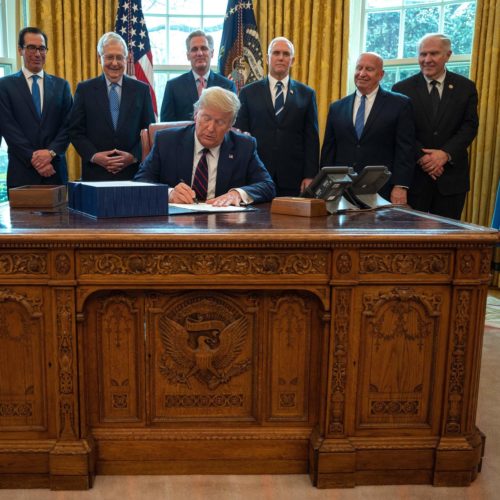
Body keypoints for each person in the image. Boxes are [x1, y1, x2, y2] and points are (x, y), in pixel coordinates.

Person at [135, 86, 276, 206]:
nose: (210, 128)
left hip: (224, 226)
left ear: (230, 125)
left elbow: (267, 186)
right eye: (206, 118)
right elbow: (140, 182)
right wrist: (169, 194)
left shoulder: (244, 146)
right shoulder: (166, 141)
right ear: (196, 115)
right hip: (177, 226)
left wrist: (237, 194)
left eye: (220, 122)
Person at [392, 33, 479, 220]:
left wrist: (444, 154)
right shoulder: (401, 89)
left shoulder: (466, 87)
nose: (427, 60)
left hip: (451, 179)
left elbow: (470, 126)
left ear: (448, 55)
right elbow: (401, 132)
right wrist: (423, 157)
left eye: (434, 54)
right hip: (414, 178)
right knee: (409, 239)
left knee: (449, 239)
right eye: (423, 54)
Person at [320, 52, 415, 204]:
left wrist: (400, 186)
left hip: (382, 190)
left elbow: (405, 149)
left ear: (381, 74)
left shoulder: (400, 105)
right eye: (359, 68)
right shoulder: (337, 107)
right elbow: (329, 151)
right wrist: (325, 187)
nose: (362, 74)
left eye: (369, 69)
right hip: (342, 190)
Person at [235, 37, 319, 197]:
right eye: (276, 53)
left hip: (293, 177)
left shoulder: (307, 94)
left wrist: (310, 175)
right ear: (267, 59)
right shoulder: (248, 93)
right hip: (256, 174)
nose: (281, 57)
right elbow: (241, 136)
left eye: (286, 54)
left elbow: (311, 138)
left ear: (292, 60)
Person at [69, 32, 155, 181]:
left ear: (126, 59)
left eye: (119, 57)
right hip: (95, 174)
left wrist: (133, 156)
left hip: (133, 174)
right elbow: (75, 131)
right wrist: (95, 156)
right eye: (109, 57)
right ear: (99, 58)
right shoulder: (85, 90)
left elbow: (149, 131)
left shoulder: (141, 90)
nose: (114, 63)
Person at [0, 27, 72, 188]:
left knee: (60, 214)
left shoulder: (62, 86)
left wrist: (50, 152)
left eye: (42, 48)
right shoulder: (4, 86)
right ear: (20, 50)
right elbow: (7, 127)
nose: (37, 53)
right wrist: (35, 159)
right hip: (21, 173)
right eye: (31, 47)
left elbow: (69, 125)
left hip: (55, 172)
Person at [160, 30, 236, 122]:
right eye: (194, 49)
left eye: (204, 48)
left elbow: (232, 123)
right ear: (188, 55)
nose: (199, 53)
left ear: (212, 53)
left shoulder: (227, 86)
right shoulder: (173, 86)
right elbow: (166, 126)